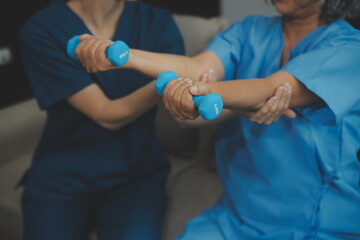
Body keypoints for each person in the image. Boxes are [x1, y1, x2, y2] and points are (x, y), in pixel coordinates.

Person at [74, 0, 360, 239]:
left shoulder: (350, 48)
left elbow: (271, 88)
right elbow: (195, 66)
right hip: (237, 215)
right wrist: (122, 56)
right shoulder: (250, 30)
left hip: (318, 224)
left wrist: (202, 92)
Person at [18, 0, 292, 239]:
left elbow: (192, 87)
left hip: (135, 176)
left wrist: (233, 100)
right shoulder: (43, 29)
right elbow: (107, 114)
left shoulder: (157, 22)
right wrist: (167, 81)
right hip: (63, 178)